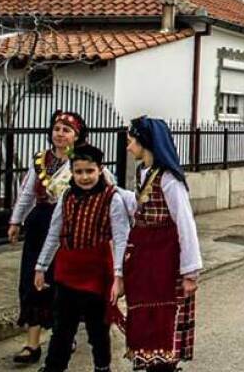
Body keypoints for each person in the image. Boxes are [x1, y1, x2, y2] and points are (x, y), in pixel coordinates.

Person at [34, 144, 129, 372]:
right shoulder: (66, 196)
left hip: (97, 273)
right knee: (62, 328)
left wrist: (118, 275)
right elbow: (55, 232)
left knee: (98, 329)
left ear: (100, 170)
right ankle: (54, 367)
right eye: (78, 172)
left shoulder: (111, 198)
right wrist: (41, 266)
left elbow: (121, 238)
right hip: (67, 272)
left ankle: (102, 367)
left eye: (89, 171)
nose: (84, 177)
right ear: (72, 172)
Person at [7, 110, 86, 365]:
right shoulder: (41, 160)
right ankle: (32, 344)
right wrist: (15, 220)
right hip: (40, 224)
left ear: (77, 135)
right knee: (33, 281)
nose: (60, 134)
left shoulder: (81, 162)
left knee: (61, 282)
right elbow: (28, 192)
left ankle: (65, 333)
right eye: (57, 129)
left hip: (68, 228)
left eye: (66, 130)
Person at [124, 116, 203, 370]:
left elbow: (185, 223)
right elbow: (139, 206)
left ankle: (164, 364)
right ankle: (148, 360)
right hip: (145, 259)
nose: (128, 147)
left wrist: (190, 272)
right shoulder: (143, 172)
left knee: (164, 315)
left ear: (144, 142)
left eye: (131, 141)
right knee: (144, 314)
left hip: (165, 259)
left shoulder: (169, 179)